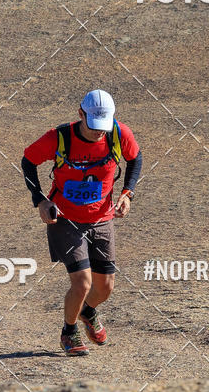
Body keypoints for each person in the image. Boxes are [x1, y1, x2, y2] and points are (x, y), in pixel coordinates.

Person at [21, 89, 142, 356]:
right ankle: (69, 331)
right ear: (80, 114)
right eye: (93, 126)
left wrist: (127, 193)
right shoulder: (59, 138)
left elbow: (135, 159)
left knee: (105, 286)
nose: (100, 132)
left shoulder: (119, 134)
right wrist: (40, 200)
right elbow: (28, 161)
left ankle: (87, 311)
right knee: (83, 283)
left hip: (102, 219)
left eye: (104, 126)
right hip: (65, 219)